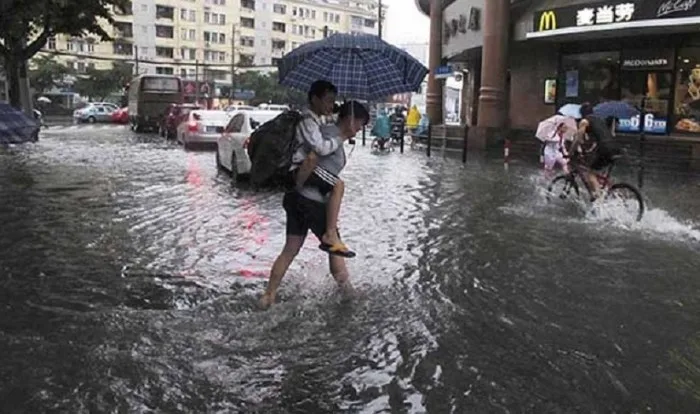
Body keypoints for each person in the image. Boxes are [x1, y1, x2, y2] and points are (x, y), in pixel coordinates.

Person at [260, 100, 370, 309]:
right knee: (335, 245)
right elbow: (311, 158)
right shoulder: (328, 135)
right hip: (311, 201)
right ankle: (348, 294)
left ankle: (269, 295)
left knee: (290, 249)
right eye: (360, 123)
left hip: (295, 199)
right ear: (350, 119)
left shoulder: (329, 134)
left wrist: (296, 189)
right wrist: (301, 185)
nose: (360, 128)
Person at [292, 81, 355, 257]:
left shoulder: (316, 118)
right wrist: (342, 136)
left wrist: (342, 118)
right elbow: (320, 148)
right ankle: (330, 234)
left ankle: (272, 286)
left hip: (306, 170)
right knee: (338, 185)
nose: (331, 105)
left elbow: (330, 120)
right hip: (301, 169)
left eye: (333, 101)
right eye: (328, 101)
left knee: (290, 250)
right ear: (314, 99)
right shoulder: (307, 120)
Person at [568, 103, 621, 200]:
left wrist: (571, 151)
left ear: (582, 114)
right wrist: (588, 150)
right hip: (615, 148)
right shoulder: (600, 120)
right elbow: (601, 137)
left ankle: (599, 200)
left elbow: (578, 138)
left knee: (590, 173)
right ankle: (605, 191)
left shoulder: (584, 121)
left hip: (605, 149)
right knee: (598, 170)